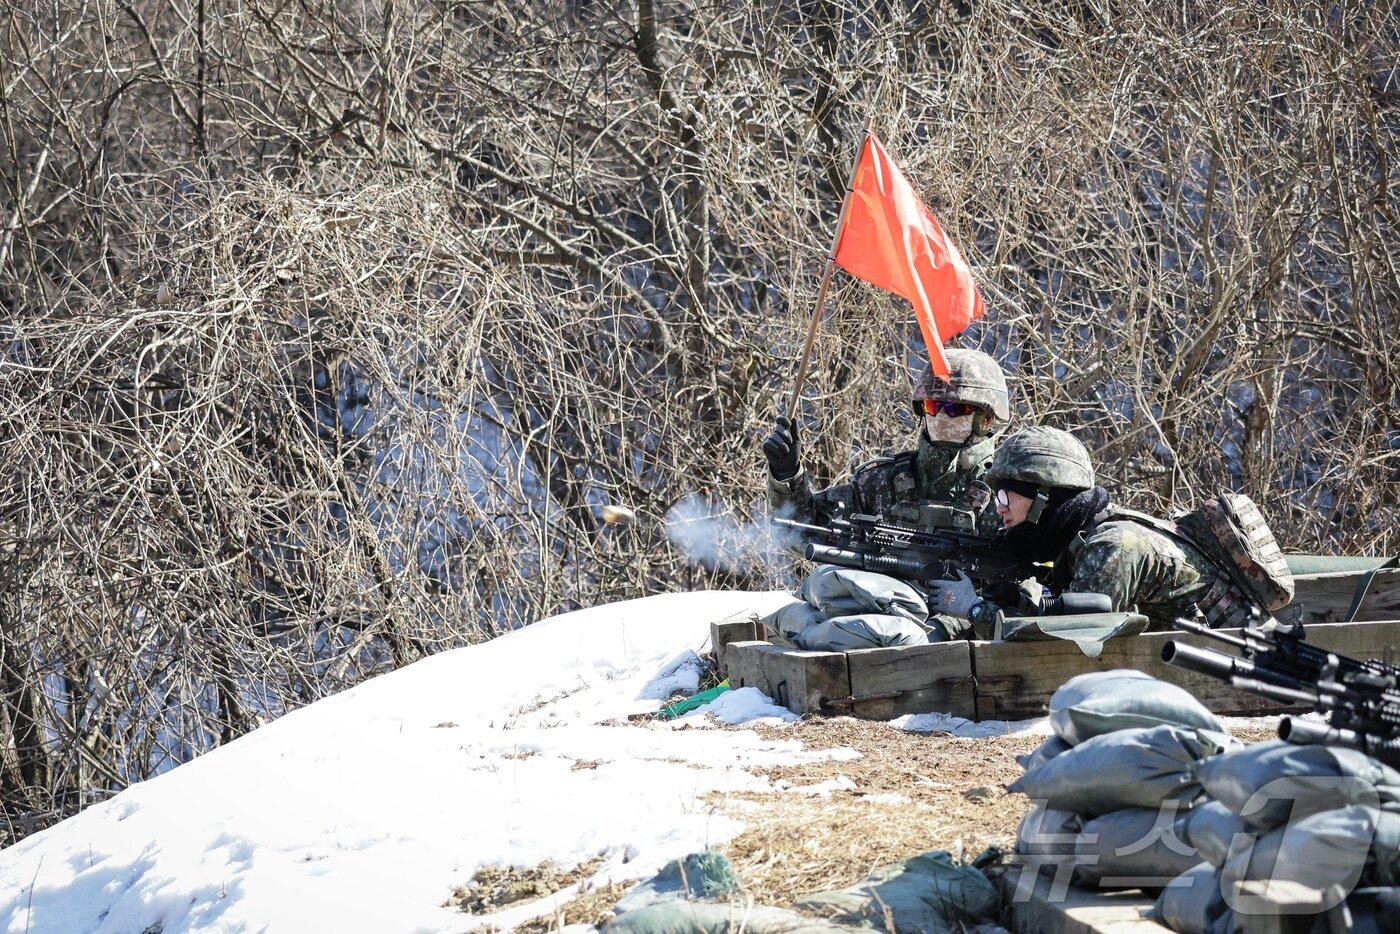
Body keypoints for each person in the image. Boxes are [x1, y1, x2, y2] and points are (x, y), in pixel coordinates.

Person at [760, 350, 1011, 650]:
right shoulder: (882, 481)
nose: (941, 416)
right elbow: (800, 533)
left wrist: (965, 615)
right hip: (881, 620)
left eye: (955, 409)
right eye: (933, 405)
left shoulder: (1008, 492)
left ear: (986, 418)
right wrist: (787, 476)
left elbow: (1029, 594)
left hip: (971, 643)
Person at [924, 426, 1218, 634]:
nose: (999, 508)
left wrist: (975, 611)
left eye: (1006, 495)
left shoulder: (1113, 545)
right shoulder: (1076, 542)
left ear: (1043, 497)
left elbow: (1071, 643)